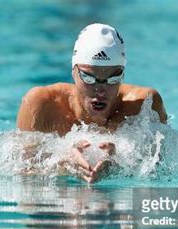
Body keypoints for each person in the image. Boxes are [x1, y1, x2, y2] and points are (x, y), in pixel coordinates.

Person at [17, 23, 168, 183]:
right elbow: (21, 174)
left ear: (122, 74)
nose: (101, 91)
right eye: (89, 78)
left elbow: (162, 172)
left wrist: (120, 165)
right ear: (73, 71)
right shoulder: (42, 104)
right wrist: (64, 164)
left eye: (113, 78)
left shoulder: (145, 106)